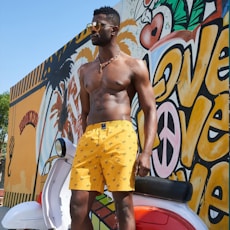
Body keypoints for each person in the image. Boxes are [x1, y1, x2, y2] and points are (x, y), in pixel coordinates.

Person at [69, 6, 157, 230]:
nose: (92, 30)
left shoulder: (133, 66)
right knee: (77, 207)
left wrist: (146, 152)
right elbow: (85, 111)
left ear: (114, 29)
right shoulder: (85, 71)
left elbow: (150, 109)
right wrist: (84, 136)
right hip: (90, 137)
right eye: (90, 26)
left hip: (120, 134)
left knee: (123, 205)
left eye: (98, 26)